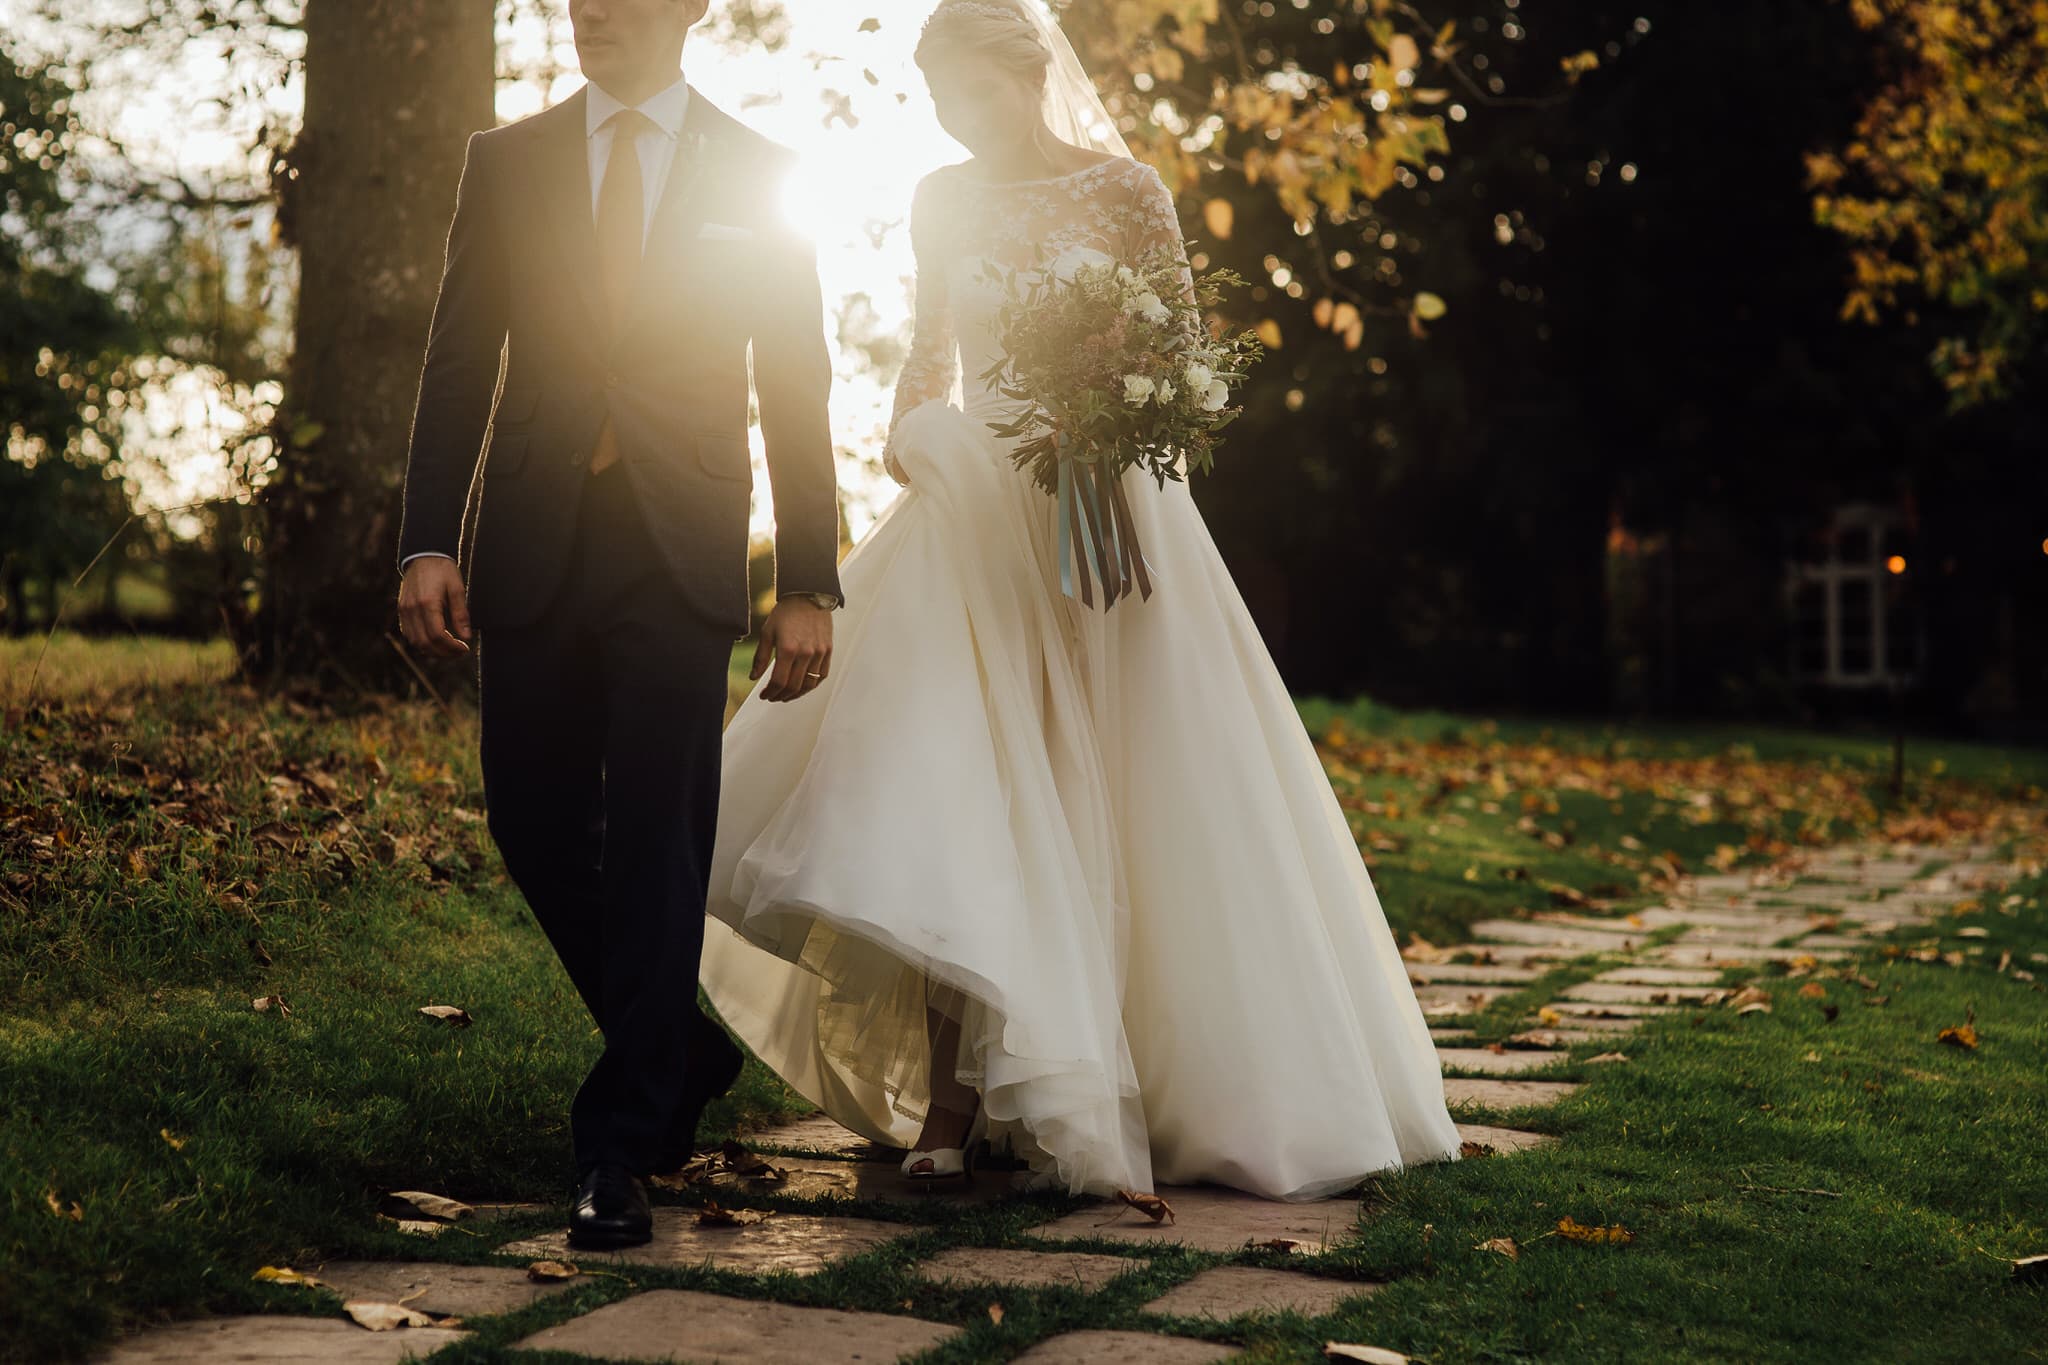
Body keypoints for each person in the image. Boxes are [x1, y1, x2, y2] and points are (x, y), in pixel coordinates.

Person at [698, 0, 1461, 1201]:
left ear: (1025, 77)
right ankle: (953, 1101)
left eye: (970, 96)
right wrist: (909, 438)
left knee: (1129, 789)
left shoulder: (1126, 191)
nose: (955, 121)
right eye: (937, 103)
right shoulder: (939, 197)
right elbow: (924, 352)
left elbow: (1190, 371)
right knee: (960, 776)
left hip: (1108, 522)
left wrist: (1107, 426)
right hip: (972, 523)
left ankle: (1155, 1077)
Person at [392, 0, 844, 1249]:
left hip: (680, 547)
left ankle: (619, 1145)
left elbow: (794, 379)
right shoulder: (508, 159)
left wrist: (806, 574)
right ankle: (681, 1049)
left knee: (657, 835)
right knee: (531, 818)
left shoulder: (758, 172)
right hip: (532, 541)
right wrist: (427, 538)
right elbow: (454, 359)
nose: (594, 10)